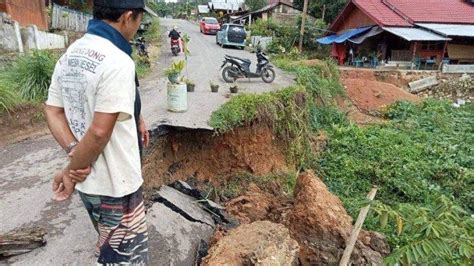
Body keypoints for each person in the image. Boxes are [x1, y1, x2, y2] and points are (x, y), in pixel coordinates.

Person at [44, 0, 154, 264]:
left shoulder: (72, 53)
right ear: (128, 17)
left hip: (90, 185)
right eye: (139, 20)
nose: (139, 27)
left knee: (108, 242)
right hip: (116, 183)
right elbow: (98, 132)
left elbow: (52, 111)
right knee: (127, 257)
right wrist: (71, 169)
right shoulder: (117, 61)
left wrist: (73, 153)